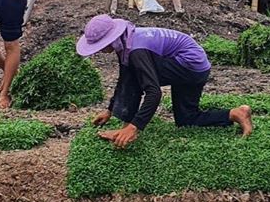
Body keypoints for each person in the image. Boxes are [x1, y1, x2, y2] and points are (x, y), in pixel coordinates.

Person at [76, 15, 252, 148]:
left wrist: (135, 127)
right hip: (195, 68)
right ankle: (236, 114)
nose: (99, 50)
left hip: (189, 66)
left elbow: (153, 92)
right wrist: (110, 110)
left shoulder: (136, 51)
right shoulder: (128, 41)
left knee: (135, 75)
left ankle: (127, 127)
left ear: (112, 39)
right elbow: (123, 77)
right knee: (186, 119)